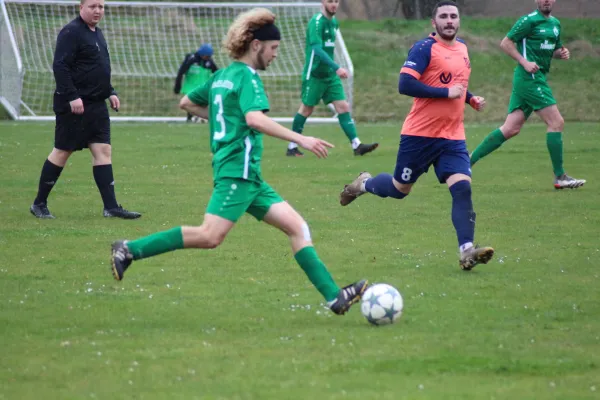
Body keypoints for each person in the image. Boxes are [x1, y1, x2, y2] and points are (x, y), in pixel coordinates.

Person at [111, 8, 367, 315]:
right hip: (237, 172)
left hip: (250, 177)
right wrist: (301, 138)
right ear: (256, 45)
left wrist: (226, 119)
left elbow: (187, 102)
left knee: (298, 227)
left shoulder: (222, 75)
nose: (275, 55)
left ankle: (334, 297)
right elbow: (254, 119)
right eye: (273, 49)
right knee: (209, 236)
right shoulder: (248, 77)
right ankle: (129, 249)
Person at [339, 1, 494, 271]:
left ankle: (466, 250)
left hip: (452, 137)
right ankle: (363, 184)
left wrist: (469, 99)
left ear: (459, 21)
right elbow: (405, 83)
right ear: (433, 23)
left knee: (463, 189)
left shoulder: (463, 48)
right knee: (400, 190)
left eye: (453, 16)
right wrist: (447, 94)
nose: (449, 21)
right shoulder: (424, 48)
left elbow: (455, 83)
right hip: (420, 136)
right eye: (443, 16)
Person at [29, 0, 140, 219]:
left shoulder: (97, 33)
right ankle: (39, 203)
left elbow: (99, 67)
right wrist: (72, 96)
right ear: (81, 7)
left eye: (101, 6)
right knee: (62, 151)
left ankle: (111, 207)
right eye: (93, 6)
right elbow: (60, 66)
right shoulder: (71, 32)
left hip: (97, 105)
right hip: (75, 105)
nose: (98, 10)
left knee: (103, 151)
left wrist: (111, 91)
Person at [469, 0, 585, 189]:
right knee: (556, 123)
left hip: (534, 78)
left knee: (510, 128)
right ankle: (560, 177)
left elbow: (551, 49)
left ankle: (467, 162)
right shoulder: (528, 21)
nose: (546, 0)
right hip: (529, 78)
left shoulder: (555, 24)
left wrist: (560, 54)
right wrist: (524, 62)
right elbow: (506, 43)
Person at [285, 0, 378, 157]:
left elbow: (328, 50)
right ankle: (292, 146)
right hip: (314, 75)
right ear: (323, 2)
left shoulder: (334, 22)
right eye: (330, 1)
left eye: (336, 1)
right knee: (306, 109)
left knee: (343, 107)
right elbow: (316, 49)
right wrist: (337, 67)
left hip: (329, 76)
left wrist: (333, 69)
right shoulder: (316, 22)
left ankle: (357, 145)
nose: (334, 4)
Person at [174, 43, 219, 122]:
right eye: (206, 56)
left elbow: (216, 72)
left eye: (209, 56)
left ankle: (201, 118)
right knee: (189, 103)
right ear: (202, 54)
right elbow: (181, 72)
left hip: (202, 85)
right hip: (190, 85)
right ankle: (190, 118)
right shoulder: (191, 59)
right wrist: (177, 86)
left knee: (203, 103)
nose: (208, 58)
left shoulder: (209, 62)